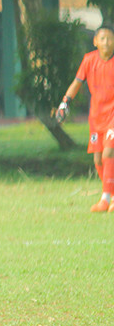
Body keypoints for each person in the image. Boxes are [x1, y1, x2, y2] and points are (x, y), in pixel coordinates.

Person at [56, 23, 114, 212]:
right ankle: (111, 194)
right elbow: (77, 82)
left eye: (110, 38)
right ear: (95, 41)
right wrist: (65, 103)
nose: (106, 42)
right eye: (103, 38)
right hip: (96, 117)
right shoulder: (89, 60)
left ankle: (105, 199)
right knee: (98, 160)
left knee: (108, 153)